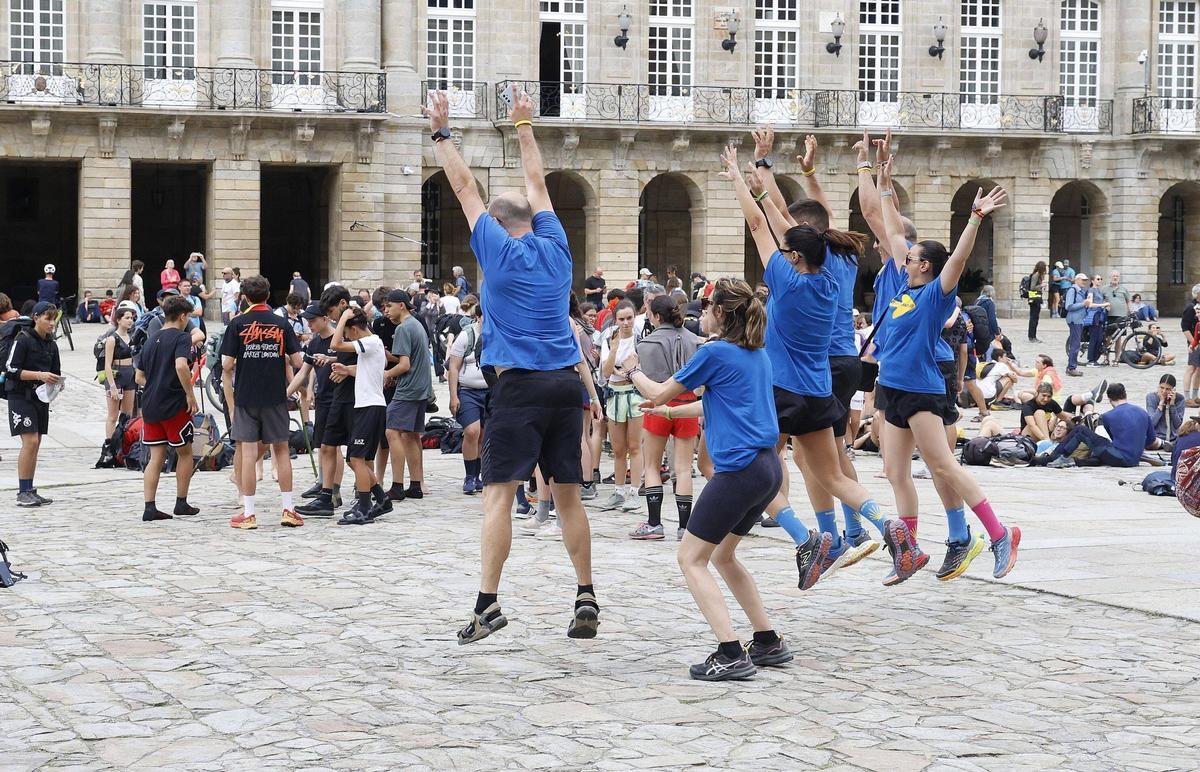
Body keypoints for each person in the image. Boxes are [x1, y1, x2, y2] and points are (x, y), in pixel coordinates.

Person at [426, 88, 597, 644]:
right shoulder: (558, 245)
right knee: (567, 495)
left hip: (518, 387)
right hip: (566, 384)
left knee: (499, 494)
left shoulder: (494, 250)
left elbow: (463, 187)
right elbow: (539, 185)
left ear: (495, 225)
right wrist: (523, 122)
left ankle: (488, 602)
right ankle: (586, 593)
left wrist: (442, 133)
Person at [733, 141, 908, 587]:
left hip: (785, 388)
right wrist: (762, 181)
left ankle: (809, 537)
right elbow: (782, 223)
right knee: (830, 471)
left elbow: (761, 223)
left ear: (794, 253)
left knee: (756, 469)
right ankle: (890, 528)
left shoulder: (785, 284)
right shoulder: (835, 275)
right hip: (821, 386)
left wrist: (746, 176)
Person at [623, 278, 791, 681]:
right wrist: (669, 414)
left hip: (738, 473)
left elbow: (662, 390)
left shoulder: (715, 352)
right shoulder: (755, 353)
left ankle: (731, 651)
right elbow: (714, 403)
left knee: (690, 557)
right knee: (723, 556)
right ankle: (767, 641)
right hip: (767, 469)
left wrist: (632, 373)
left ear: (718, 312)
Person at [875, 155, 1020, 581]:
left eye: (911, 257)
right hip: (891, 386)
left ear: (925, 266)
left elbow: (956, 258)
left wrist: (974, 219)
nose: (902, 258)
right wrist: (885, 186)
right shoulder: (905, 283)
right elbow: (893, 231)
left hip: (921, 390)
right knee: (894, 472)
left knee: (942, 466)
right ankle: (910, 551)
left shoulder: (936, 294)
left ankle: (998, 534)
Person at [219, 275, 304, 530]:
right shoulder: (281, 323)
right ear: (268, 296)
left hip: (246, 395)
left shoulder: (237, 324)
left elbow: (226, 364)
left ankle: (249, 513)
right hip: (275, 395)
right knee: (281, 450)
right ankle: (288, 509)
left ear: (244, 297)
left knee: (247, 453)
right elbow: (298, 361)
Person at [628, 295, 702, 541]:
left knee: (651, 465)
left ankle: (654, 523)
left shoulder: (646, 344)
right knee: (682, 468)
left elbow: (646, 385)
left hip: (658, 403)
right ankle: (684, 527)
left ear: (657, 316)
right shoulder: (694, 339)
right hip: (688, 403)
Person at [135, 296, 201, 522]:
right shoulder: (181, 338)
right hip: (174, 404)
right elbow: (181, 365)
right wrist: (190, 394)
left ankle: (149, 506)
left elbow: (139, 376)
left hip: (150, 405)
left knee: (156, 457)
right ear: (183, 316)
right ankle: (181, 502)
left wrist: (156, 383)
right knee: (184, 452)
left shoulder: (150, 340)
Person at [327, 307, 394, 525]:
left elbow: (335, 344)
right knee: (356, 460)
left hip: (370, 407)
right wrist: (347, 370)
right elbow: (369, 371)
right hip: (368, 406)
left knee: (356, 459)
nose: (346, 336)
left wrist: (344, 317)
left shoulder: (372, 341)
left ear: (354, 329)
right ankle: (382, 500)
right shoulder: (373, 347)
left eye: (347, 332)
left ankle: (364, 508)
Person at [295, 290, 352, 516]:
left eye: (313, 320)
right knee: (326, 446)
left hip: (345, 399)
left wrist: (340, 365)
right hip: (325, 400)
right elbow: (305, 372)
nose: (309, 324)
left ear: (326, 318)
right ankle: (328, 491)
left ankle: (342, 491)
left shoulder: (344, 339)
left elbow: (362, 358)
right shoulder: (314, 342)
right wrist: (291, 393)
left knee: (346, 451)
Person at [5, 301, 62, 507]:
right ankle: (22, 491)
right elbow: (10, 368)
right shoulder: (23, 340)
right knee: (29, 442)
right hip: (21, 396)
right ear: (36, 317)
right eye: (47, 318)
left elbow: (56, 371)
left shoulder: (51, 344)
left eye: (53, 319)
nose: (51, 323)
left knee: (36, 443)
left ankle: (29, 488)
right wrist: (39, 375)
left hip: (41, 397)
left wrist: (57, 383)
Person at [1034, 383, 1168, 468]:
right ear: (1125, 395)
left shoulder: (1108, 416)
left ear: (1109, 399)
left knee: (1081, 430)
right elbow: (1151, 441)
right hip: (1134, 460)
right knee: (1098, 453)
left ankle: (1056, 457)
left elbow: (1106, 441)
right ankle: (1075, 461)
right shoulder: (1143, 413)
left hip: (1120, 458)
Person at [382, 289, 434, 501]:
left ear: (401, 305)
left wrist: (386, 374)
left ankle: (396, 485)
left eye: (389, 306)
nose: (386, 310)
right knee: (411, 435)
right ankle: (415, 485)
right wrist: (392, 359)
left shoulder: (403, 328)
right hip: (422, 388)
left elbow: (405, 365)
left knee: (391, 432)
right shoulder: (417, 325)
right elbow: (410, 359)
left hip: (408, 389)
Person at [599, 300, 644, 513]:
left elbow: (641, 368)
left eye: (629, 318)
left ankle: (634, 491)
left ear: (634, 317)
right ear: (615, 319)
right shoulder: (609, 339)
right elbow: (606, 372)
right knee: (618, 448)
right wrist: (615, 349)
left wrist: (625, 371)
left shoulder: (641, 338)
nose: (626, 323)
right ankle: (618, 491)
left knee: (635, 446)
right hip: (615, 394)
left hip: (634, 394)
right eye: (621, 319)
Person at [448, 300, 488, 495]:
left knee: (483, 434)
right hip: (468, 391)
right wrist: (453, 396)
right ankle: (469, 475)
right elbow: (453, 367)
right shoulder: (467, 335)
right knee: (472, 431)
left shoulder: (497, 335)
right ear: (478, 317)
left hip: (490, 392)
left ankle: (478, 475)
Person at [100, 307, 138, 439]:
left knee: (126, 414)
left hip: (130, 374)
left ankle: (122, 442)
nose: (130, 321)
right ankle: (109, 443)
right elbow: (107, 365)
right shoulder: (112, 339)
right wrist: (112, 386)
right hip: (117, 375)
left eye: (131, 318)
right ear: (118, 320)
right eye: (127, 318)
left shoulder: (132, 337)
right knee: (113, 415)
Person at [1064, 272, 1091, 376]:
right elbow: (1069, 306)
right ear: (1077, 280)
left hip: (1079, 320)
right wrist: (1083, 304)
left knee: (1075, 344)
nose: (1084, 282)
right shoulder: (1073, 290)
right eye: (1083, 280)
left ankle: (1071, 367)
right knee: (1075, 345)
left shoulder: (1081, 291)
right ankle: (1071, 368)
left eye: (1085, 280)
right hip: (1074, 320)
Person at [1147, 373, 1185, 442]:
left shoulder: (1180, 399)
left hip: (1173, 438)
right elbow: (1152, 423)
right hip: (1156, 437)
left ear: (1173, 389)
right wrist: (1161, 405)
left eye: (1167, 389)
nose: (1164, 391)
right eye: (1162, 388)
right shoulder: (1151, 397)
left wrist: (1172, 405)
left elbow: (1177, 424)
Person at [1182, 284, 1200, 405]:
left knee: (1199, 370)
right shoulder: (1190, 307)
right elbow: (1185, 328)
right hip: (1195, 342)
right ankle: (1187, 398)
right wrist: (1194, 343)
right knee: (1191, 368)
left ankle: (1195, 396)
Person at [1026, 261, 1047, 342]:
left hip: (1037, 299)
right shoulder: (1036, 275)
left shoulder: (1039, 275)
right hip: (1034, 299)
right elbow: (1032, 287)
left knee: (1035, 318)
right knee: (1033, 318)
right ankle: (1032, 336)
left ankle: (1033, 336)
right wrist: (1041, 285)